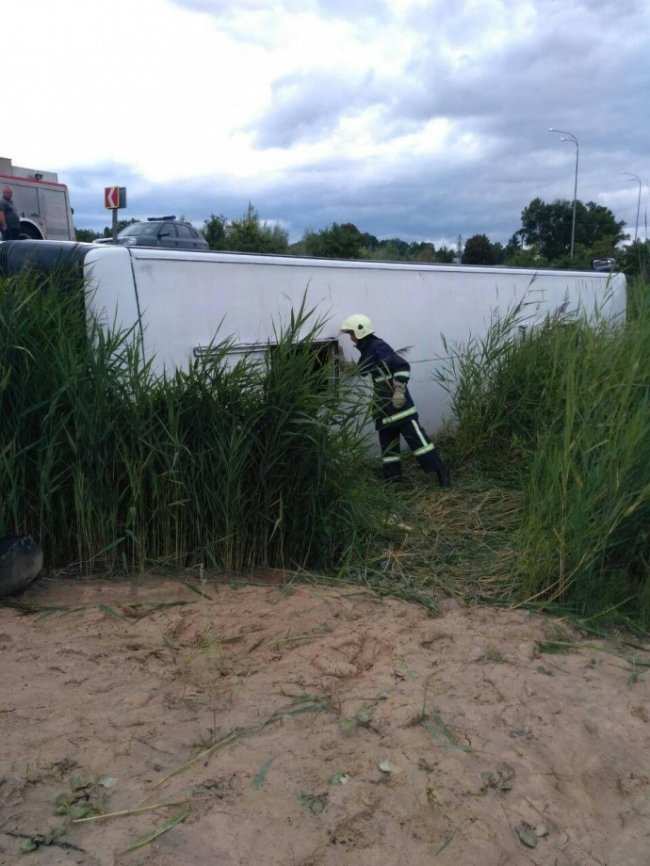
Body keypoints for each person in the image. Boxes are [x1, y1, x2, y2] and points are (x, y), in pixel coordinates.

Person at [340, 313, 451, 486]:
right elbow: (361, 370)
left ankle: (441, 471)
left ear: (360, 331)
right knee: (389, 448)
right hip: (384, 409)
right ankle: (393, 479)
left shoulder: (378, 347)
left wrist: (399, 390)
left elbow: (402, 366)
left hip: (400, 407)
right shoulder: (368, 350)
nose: (351, 338)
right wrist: (343, 364)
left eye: (351, 333)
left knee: (419, 443)